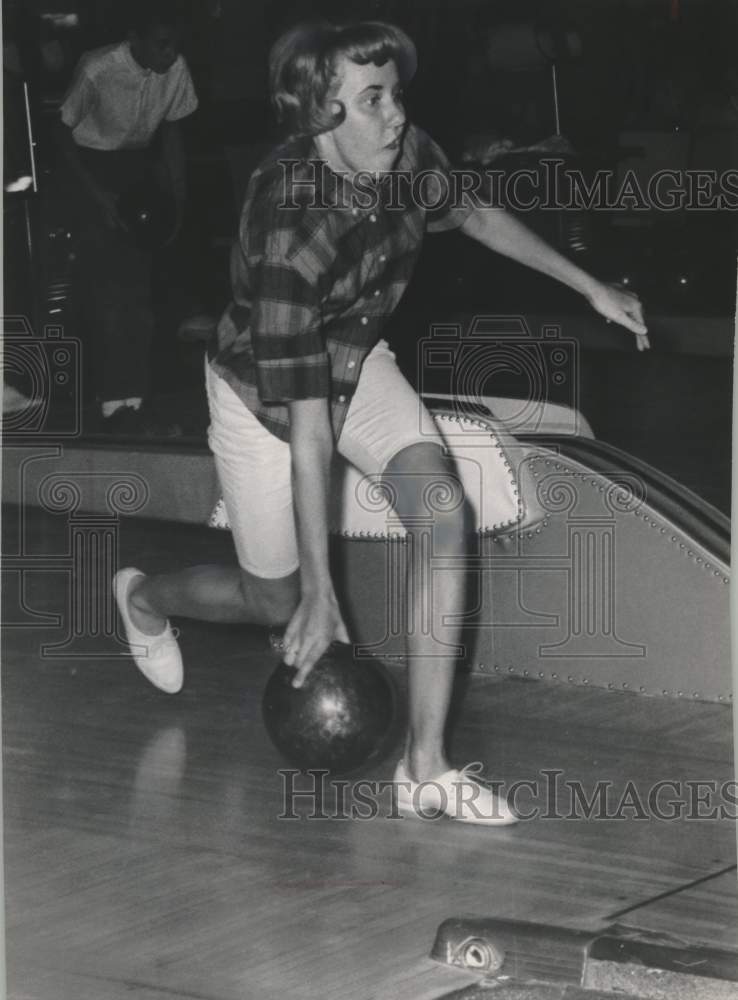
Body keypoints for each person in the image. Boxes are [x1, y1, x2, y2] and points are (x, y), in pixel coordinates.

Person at [114, 21, 648, 825]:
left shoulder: (402, 156)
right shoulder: (288, 230)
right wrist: (322, 598)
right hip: (264, 400)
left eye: (395, 92)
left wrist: (589, 286)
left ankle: (426, 767)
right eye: (372, 100)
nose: (395, 113)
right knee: (277, 603)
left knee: (440, 510)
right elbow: (307, 432)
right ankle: (145, 596)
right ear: (317, 115)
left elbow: (467, 211)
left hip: (357, 360)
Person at [56, 0, 198, 434]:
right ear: (133, 39)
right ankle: (106, 400)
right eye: (160, 45)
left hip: (138, 174)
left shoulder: (175, 66)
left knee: (139, 297)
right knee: (107, 296)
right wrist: (98, 197)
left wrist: (178, 197)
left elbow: (172, 131)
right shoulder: (98, 68)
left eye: (174, 44)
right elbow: (62, 135)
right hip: (90, 171)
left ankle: (134, 399)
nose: (170, 54)